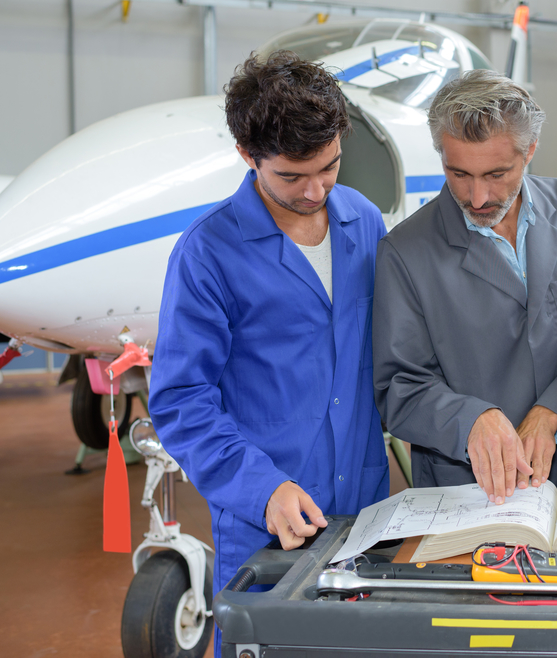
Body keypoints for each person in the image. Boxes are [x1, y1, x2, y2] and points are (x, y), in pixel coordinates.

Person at [148, 50, 389, 651]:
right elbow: (181, 402)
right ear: (246, 155)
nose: (315, 191)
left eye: (330, 166)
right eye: (290, 176)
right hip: (267, 517)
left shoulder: (361, 220)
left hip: (366, 508)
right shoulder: (207, 255)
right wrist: (262, 489)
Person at [373, 70, 557, 503]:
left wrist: (552, 413)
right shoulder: (404, 251)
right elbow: (398, 387)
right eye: (458, 174)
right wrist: (470, 420)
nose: (477, 198)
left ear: (530, 150)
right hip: (460, 490)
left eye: (497, 174)